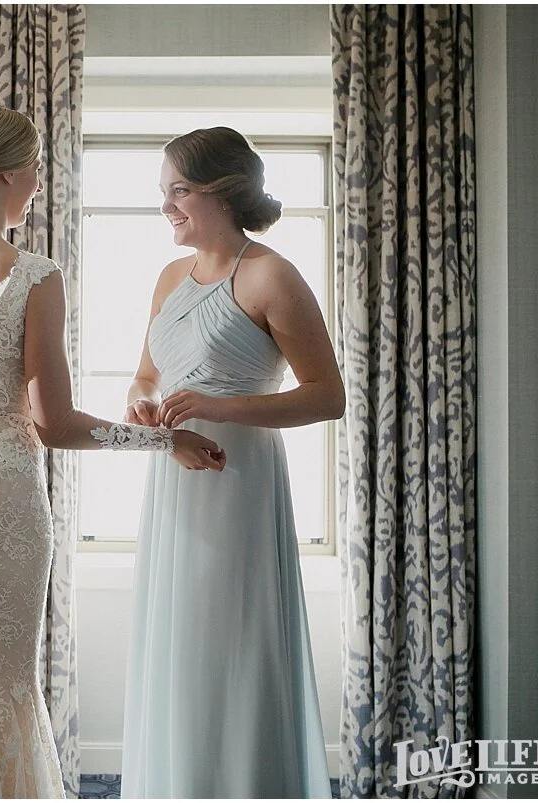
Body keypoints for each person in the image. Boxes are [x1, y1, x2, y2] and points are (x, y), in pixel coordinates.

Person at [0, 100, 227, 798]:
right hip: (0, 498)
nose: (38, 182)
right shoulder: (33, 274)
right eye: (33, 167)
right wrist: (163, 438)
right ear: (1, 173)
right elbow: (54, 425)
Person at [119, 127, 342, 798]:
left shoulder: (271, 274)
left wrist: (222, 405)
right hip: (173, 481)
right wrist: (140, 403)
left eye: (179, 191)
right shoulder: (169, 278)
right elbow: (146, 375)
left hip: (239, 481)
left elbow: (327, 396)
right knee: (179, 641)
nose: (166, 207)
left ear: (222, 192)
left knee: (233, 642)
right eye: (163, 192)